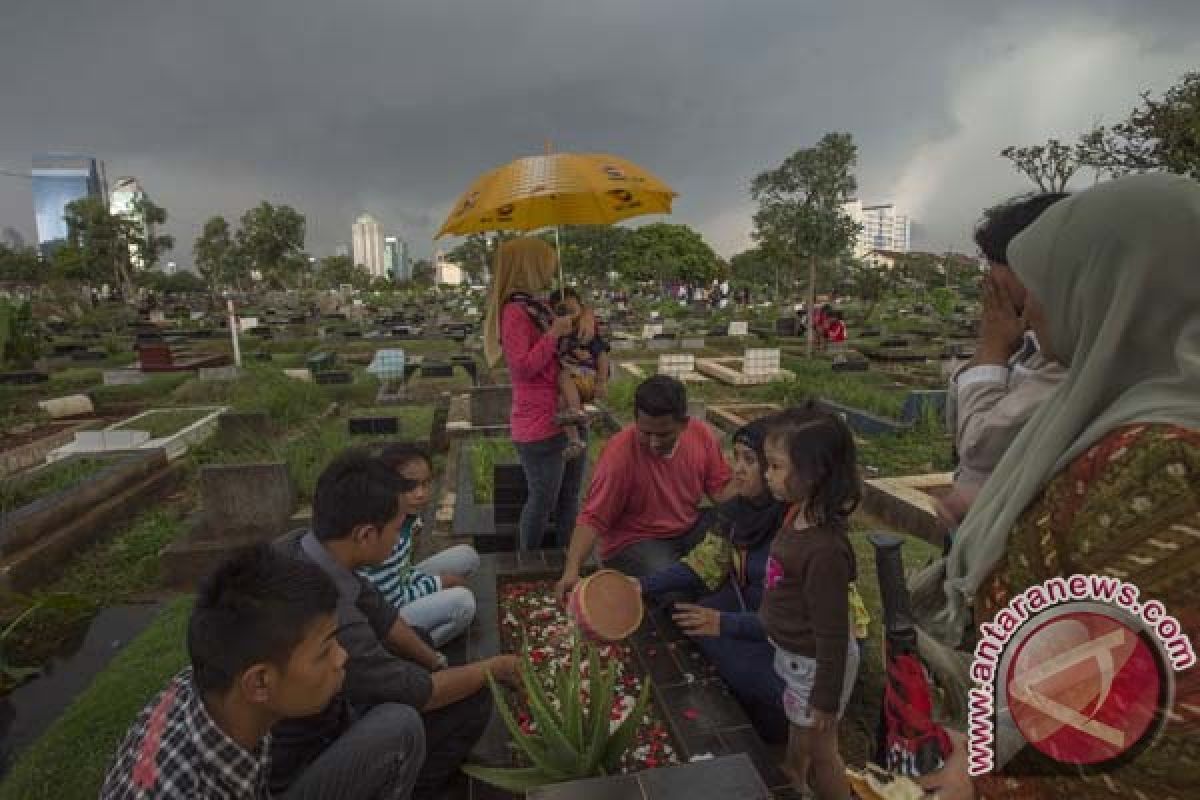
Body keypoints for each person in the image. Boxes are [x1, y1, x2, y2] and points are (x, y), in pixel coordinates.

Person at [912, 173, 1200, 800]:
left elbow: (1148, 716)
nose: (1029, 308)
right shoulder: (1116, 410)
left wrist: (990, 778)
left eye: (1046, 283)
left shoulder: (1164, 461)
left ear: (1115, 286)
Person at [272, 451, 522, 800]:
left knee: (417, 641)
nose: (398, 539)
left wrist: (436, 662)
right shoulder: (331, 620)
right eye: (395, 528)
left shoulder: (305, 545)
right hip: (305, 764)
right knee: (448, 704)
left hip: (322, 713)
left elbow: (386, 618)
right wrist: (495, 667)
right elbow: (418, 694)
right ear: (366, 535)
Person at [102, 545, 425, 799]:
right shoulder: (188, 790)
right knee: (399, 726)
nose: (342, 658)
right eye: (325, 651)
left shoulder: (216, 686)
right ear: (259, 682)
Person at [638, 418, 790, 742]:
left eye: (750, 460)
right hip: (751, 613)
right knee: (682, 610)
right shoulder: (739, 514)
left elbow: (792, 622)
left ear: (776, 467)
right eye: (735, 457)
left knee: (742, 666)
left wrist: (723, 623)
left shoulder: (796, 528)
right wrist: (641, 585)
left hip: (794, 641)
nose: (737, 470)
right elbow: (702, 564)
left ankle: (772, 716)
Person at [939, 193, 1070, 529]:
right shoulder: (1031, 346)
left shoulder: (1070, 363)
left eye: (996, 264)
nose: (988, 281)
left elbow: (978, 447)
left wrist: (992, 350)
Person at [554, 375, 736, 600]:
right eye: (645, 433)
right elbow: (592, 518)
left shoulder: (701, 436)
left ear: (684, 424)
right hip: (637, 541)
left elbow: (721, 492)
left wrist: (753, 477)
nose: (654, 443)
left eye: (663, 434)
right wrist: (572, 571)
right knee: (675, 591)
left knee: (735, 537)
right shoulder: (619, 455)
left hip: (687, 528)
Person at [761, 404, 862, 800]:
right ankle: (793, 773)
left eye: (776, 466)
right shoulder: (796, 513)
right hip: (796, 657)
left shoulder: (824, 552)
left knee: (824, 748)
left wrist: (826, 698)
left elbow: (834, 635)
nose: (768, 476)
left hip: (817, 665)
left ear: (815, 473)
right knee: (797, 725)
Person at [483, 237, 587, 551]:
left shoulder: (539, 306)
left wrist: (582, 319)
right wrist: (554, 334)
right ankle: (527, 564)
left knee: (570, 497)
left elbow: (565, 349)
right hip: (540, 423)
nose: (552, 271)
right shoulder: (514, 312)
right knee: (543, 501)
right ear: (528, 267)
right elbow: (522, 367)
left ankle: (566, 559)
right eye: (545, 265)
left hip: (570, 414)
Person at [360, 443, 480, 649]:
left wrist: (433, 581)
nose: (420, 494)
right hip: (386, 617)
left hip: (399, 585)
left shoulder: (407, 518)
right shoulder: (381, 532)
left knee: (468, 556)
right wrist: (438, 583)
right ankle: (408, 651)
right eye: (409, 486)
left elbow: (403, 573)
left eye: (425, 484)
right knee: (464, 604)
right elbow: (390, 601)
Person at [547, 287, 611, 461]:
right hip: (573, 384)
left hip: (587, 376)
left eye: (573, 311)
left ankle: (576, 411)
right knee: (561, 402)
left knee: (562, 376)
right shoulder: (559, 334)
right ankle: (575, 441)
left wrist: (601, 382)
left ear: (581, 309)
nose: (569, 316)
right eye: (562, 311)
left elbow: (602, 357)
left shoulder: (587, 332)